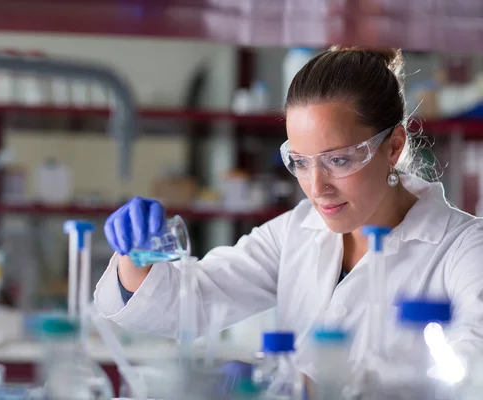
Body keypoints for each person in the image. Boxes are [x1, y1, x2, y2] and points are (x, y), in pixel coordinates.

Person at [93, 46, 483, 381]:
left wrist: (316, 389)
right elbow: (190, 303)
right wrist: (136, 256)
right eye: (299, 161)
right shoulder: (296, 232)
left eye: (339, 160)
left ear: (393, 146)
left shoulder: (463, 249)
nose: (316, 187)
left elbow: (472, 370)